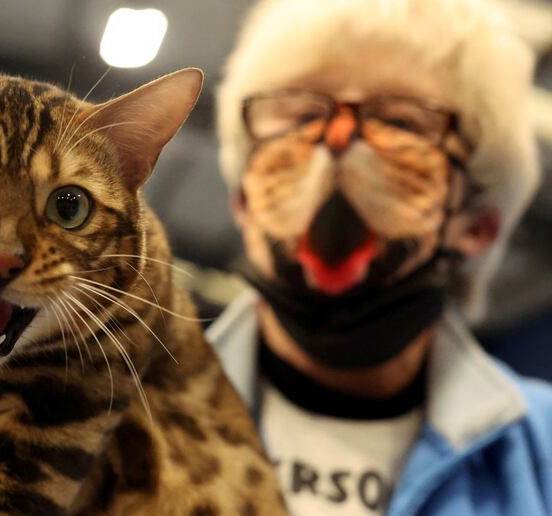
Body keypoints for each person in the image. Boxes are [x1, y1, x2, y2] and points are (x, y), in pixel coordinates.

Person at [211, 0, 551, 514]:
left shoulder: (539, 452)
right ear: (242, 199)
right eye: (301, 113)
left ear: (479, 224)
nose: (336, 139)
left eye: (403, 122)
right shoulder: (114, 410)